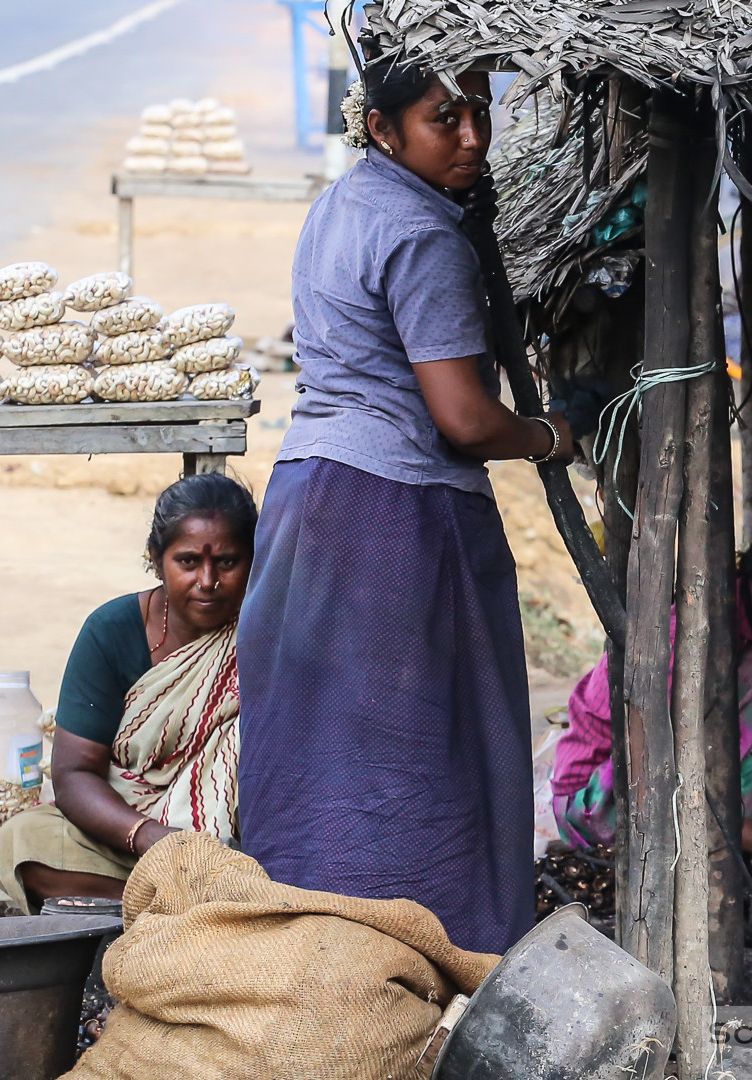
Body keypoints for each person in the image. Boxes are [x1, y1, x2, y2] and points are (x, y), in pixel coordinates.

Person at [234, 45, 583, 958]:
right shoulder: (425, 236)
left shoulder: (342, 203)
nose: (473, 138)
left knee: (321, 745)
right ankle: (424, 959)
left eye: (481, 111)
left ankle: (305, 952)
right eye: (444, 120)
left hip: (311, 492)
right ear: (382, 128)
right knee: (422, 751)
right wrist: (550, 436)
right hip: (394, 514)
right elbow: (464, 419)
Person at [0, 473, 257, 913]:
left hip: (231, 848)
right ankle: (172, 906)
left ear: (253, 560)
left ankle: (187, 903)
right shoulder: (111, 631)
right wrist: (149, 836)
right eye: (188, 562)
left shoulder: (267, 632)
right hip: (129, 839)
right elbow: (74, 773)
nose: (208, 580)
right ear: (156, 560)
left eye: (227, 562)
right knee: (20, 843)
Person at [552, 507, 752, 856]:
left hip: (686, 808)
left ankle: (736, 838)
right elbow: (645, 774)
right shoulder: (686, 634)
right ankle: (726, 846)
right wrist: (749, 835)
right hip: (601, 803)